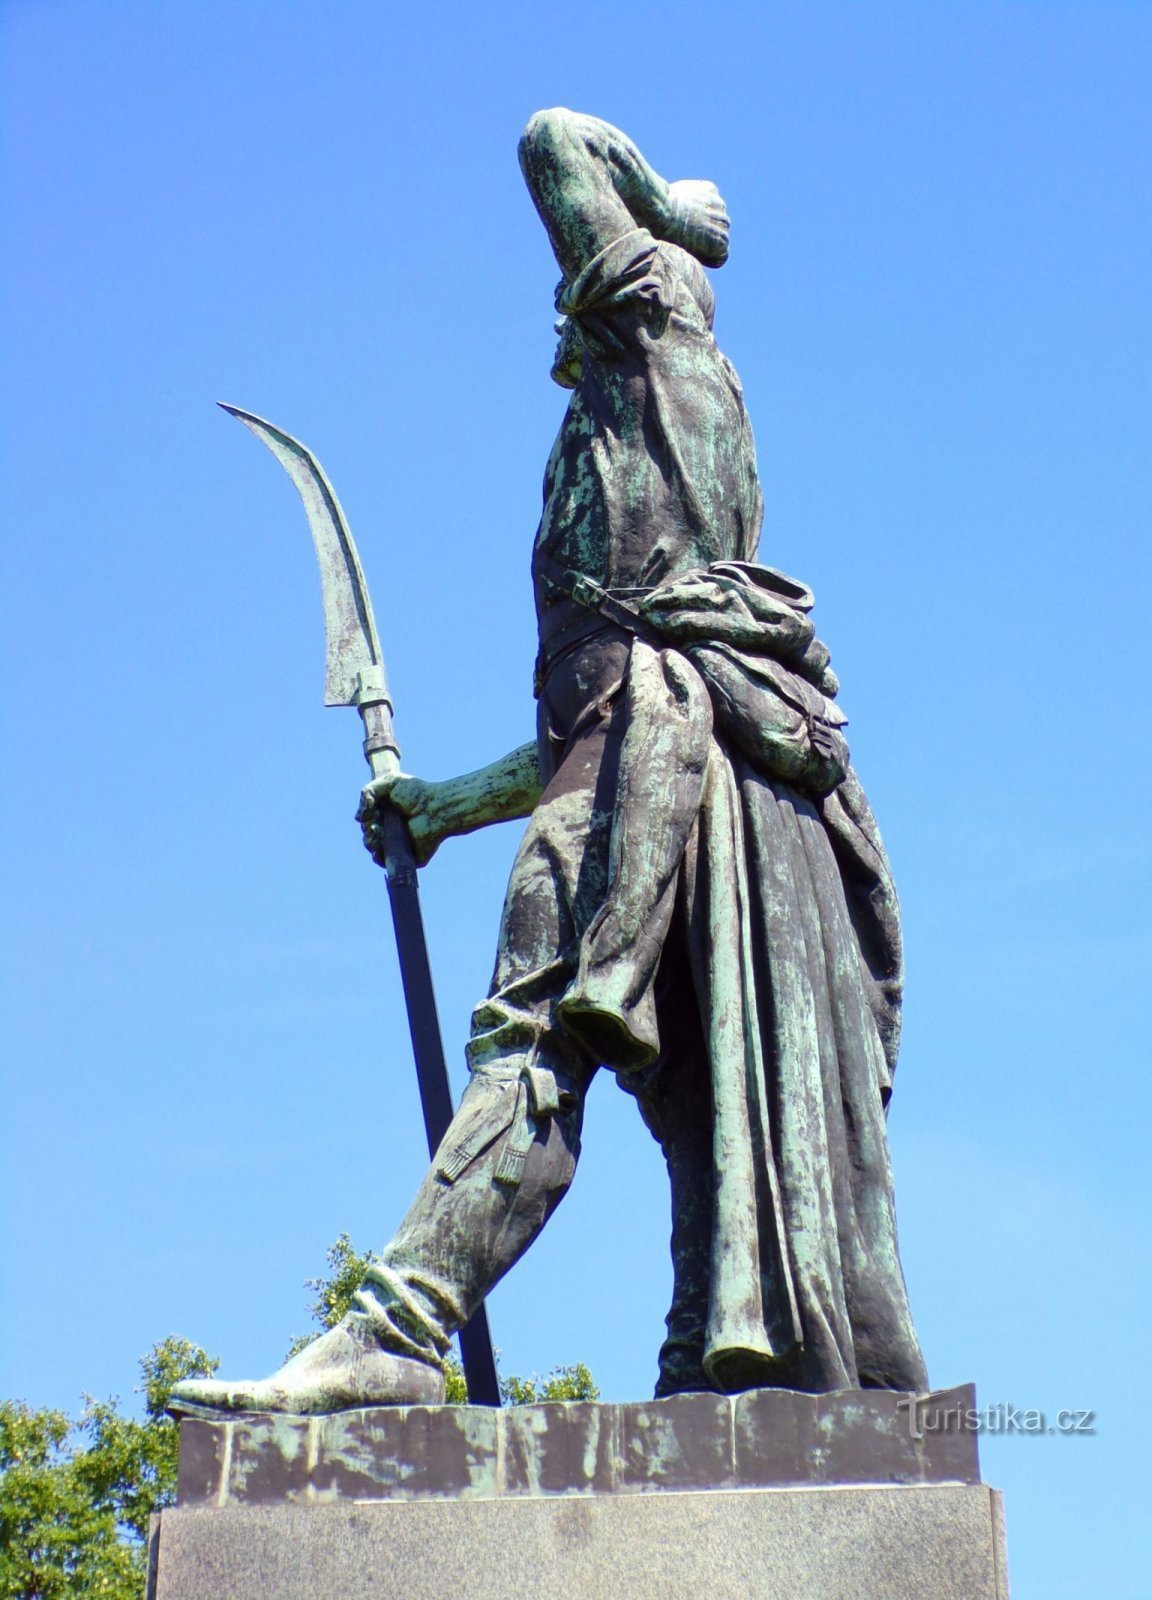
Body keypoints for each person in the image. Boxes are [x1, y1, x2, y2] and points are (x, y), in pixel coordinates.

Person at [170, 109, 926, 1418]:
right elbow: (594, 709)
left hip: (658, 784)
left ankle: (398, 1335)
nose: (553, 337)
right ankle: (704, 1366)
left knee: (531, 1040)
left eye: (574, 301)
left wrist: (671, 212)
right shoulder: (618, 447)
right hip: (655, 768)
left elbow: (556, 140)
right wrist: (447, 804)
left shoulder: (659, 356)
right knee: (693, 1104)